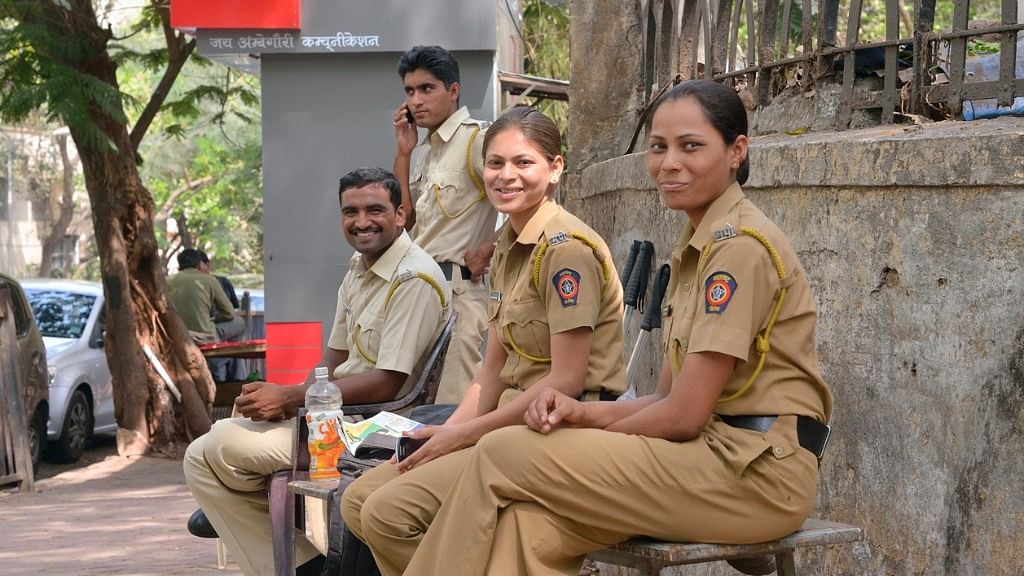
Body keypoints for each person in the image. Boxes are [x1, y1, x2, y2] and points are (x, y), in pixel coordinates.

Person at [397, 80, 835, 576]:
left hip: (754, 475)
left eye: (691, 146)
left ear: (737, 151)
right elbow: (665, 401)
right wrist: (577, 416)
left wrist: (581, 425)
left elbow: (684, 417)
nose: (669, 163)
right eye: (658, 147)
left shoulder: (738, 249)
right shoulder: (697, 245)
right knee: (527, 524)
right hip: (706, 458)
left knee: (503, 451)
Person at [340, 106, 626, 576]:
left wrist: (464, 435)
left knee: (388, 513)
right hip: (504, 426)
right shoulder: (507, 248)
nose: (505, 176)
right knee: (359, 499)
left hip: (558, 428)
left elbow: (567, 381)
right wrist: (451, 431)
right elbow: (490, 372)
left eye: (523, 163)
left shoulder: (565, 251)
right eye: (495, 164)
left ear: (555, 168)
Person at [183, 167, 450, 576]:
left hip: (377, 426)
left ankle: (286, 552)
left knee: (207, 454)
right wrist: (294, 398)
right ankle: (288, 547)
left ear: (400, 214)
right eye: (351, 211)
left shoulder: (412, 277)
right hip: (338, 414)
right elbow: (333, 357)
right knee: (230, 427)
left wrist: (295, 399)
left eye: (375, 210)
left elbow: (390, 382)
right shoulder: (359, 268)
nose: (361, 222)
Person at [392, 45, 499, 404]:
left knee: (450, 406)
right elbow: (402, 221)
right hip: (420, 290)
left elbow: (535, 198)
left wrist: (488, 248)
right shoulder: (424, 150)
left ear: (453, 91)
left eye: (427, 88)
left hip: (458, 291)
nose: (416, 100)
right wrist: (404, 153)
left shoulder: (477, 139)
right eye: (410, 91)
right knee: (409, 405)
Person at [168, 248, 245, 345]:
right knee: (239, 322)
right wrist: (212, 320)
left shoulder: (167, 281)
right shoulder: (210, 280)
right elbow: (229, 313)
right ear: (199, 264)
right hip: (204, 337)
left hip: (176, 335)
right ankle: (225, 358)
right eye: (207, 265)